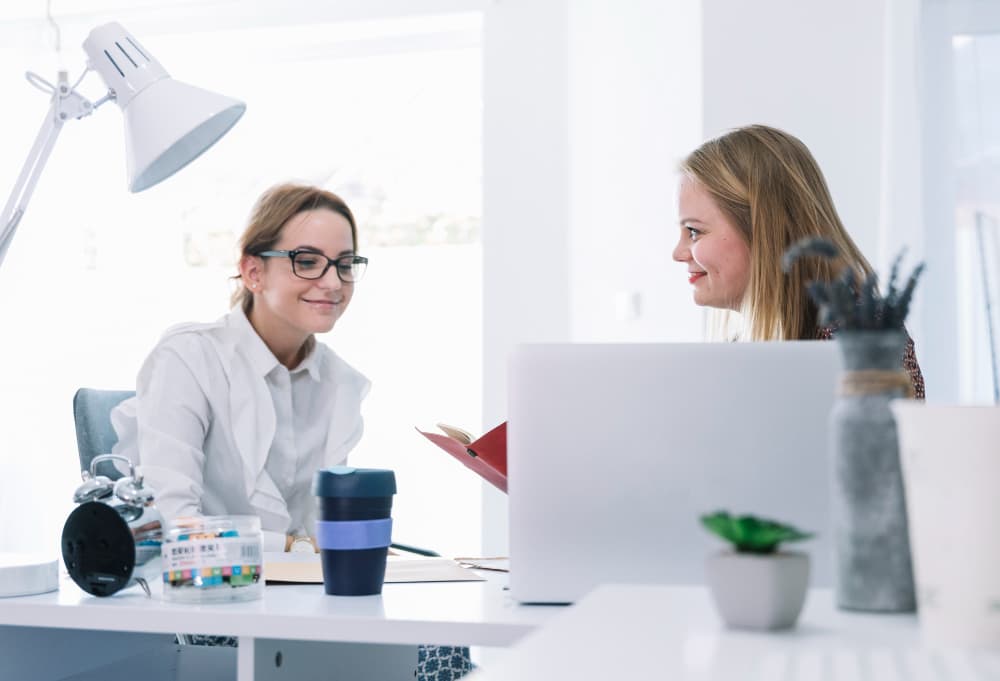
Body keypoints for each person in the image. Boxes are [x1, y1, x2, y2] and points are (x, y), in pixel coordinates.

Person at [111, 183, 474, 680]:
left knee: (444, 642)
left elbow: (324, 531)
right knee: (416, 655)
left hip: (301, 600)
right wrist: (299, 549)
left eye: (345, 264)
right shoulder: (189, 358)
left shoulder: (339, 383)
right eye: (307, 260)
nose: (332, 282)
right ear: (253, 270)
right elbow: (175, 529)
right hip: (210, 602)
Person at [672, 124, 925, 398]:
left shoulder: (859, 341)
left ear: (762, 230)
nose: (678, 252)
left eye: (694, 231)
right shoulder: (743, 350)